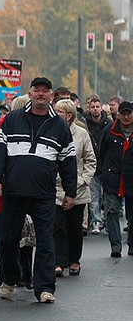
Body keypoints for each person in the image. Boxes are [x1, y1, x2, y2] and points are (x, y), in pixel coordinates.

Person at [0, 77, 77, 304]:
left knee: (46, 241)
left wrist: (70, 192)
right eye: (37, 90)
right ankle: (8, 280)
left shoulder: (60, 126)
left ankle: (45, 288)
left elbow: (68, 161)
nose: (41, 94)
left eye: (45, 91)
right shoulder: (12, 119)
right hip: (14, 191)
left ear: (52, 96)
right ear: (30, 94)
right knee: (8, 239)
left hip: (44, 193)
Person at [53, 98, 95, 277]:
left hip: (78, 188)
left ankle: (74, 260)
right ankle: (59, 262)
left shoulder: (82, 134)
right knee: (57, 226)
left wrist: (83, 180)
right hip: (56, 188)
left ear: (68, 115)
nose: (55, 114)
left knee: (75, 228)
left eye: (59, 111)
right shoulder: (51, 131)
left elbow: (91, 160)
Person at [97, 100, 133, 258]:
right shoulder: (109, 131)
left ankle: (131, 243)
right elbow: (102, 153)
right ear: (118, 115)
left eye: (128, 113)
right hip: (113, 178)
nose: (126, 117)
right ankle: (116, 245)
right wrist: (104, 170)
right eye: (123, 114)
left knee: (131, 215)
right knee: (112, 212)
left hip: (131, 179)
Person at [84, 94, 110, 234]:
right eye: (93, 107)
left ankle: (107, 219)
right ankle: (96, 222)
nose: (95, 110)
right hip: (93, 166)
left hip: (106, 166)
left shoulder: (108, 125)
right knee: (94, 197)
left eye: (97, 107)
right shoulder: (86, 125)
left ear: (101, 108)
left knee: (106, 196)